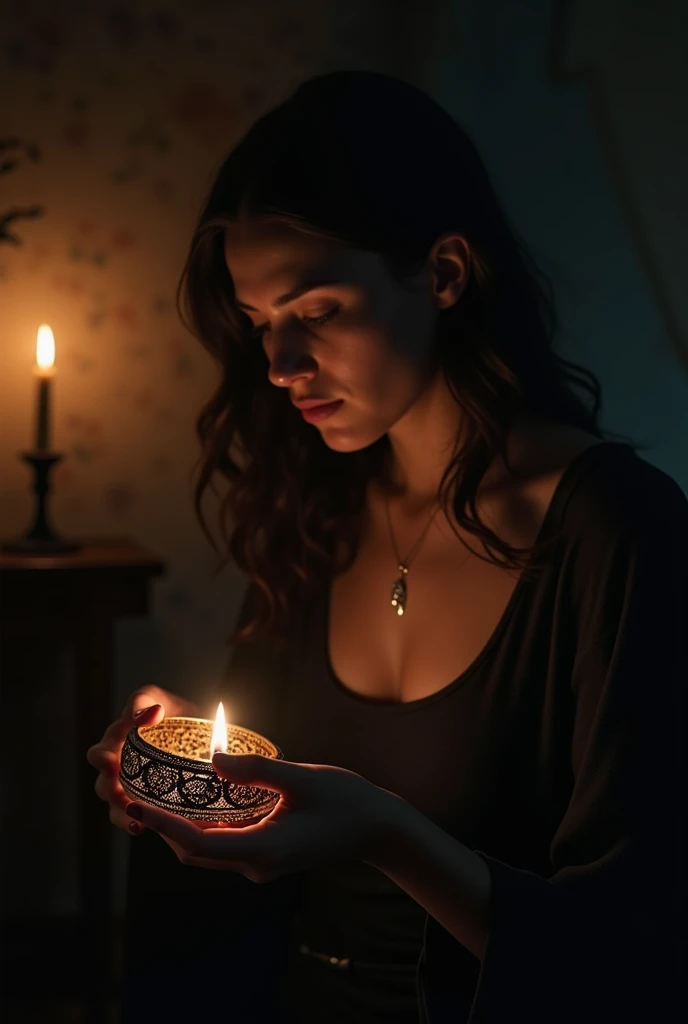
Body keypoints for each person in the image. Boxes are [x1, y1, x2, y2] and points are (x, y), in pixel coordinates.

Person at [87, 70, 686, 1024]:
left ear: (445, 274)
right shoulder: (314, 511)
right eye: (260, 325)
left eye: (317, 311)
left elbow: (637, 952)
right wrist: (200, 764)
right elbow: (272, 797)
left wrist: (383, 833)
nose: (281, 367)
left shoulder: (617, 532)